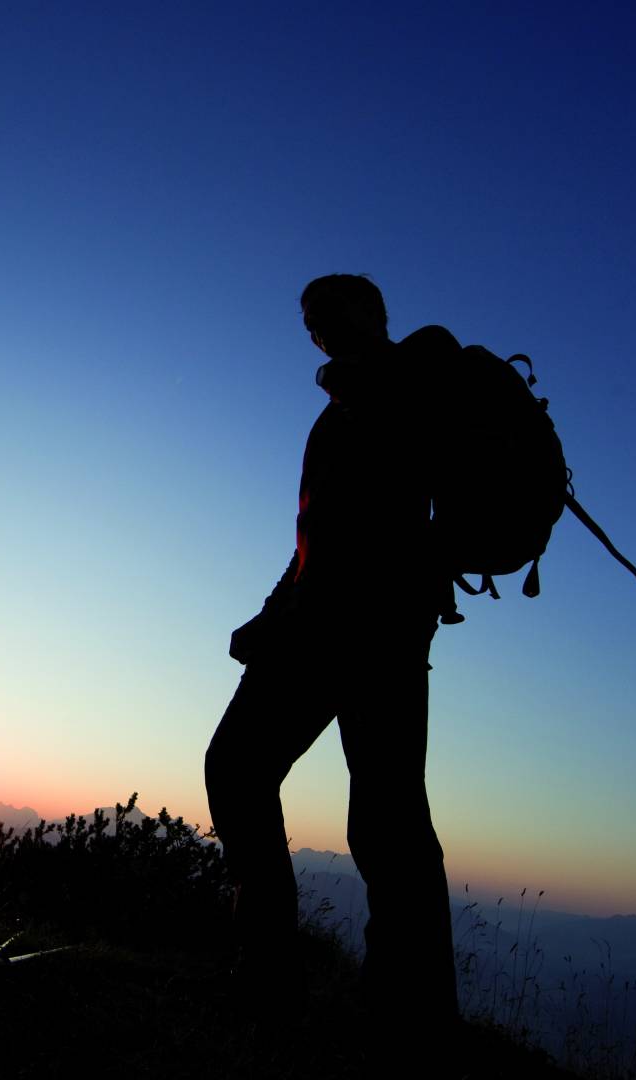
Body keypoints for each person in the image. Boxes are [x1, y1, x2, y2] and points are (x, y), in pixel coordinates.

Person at [204, 274, 459, 1032]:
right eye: (311, 323)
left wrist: (361, 384)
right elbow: (318, 537)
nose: (318, 330)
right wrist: (271, 613)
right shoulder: (335, 411)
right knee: (260, 775)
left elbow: (410, 486)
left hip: (376, 631)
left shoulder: (414, 372)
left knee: (381, 821)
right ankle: (285, 977)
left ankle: (404, 1016)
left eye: (331, 314)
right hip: (322, 627)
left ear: (375, 313)